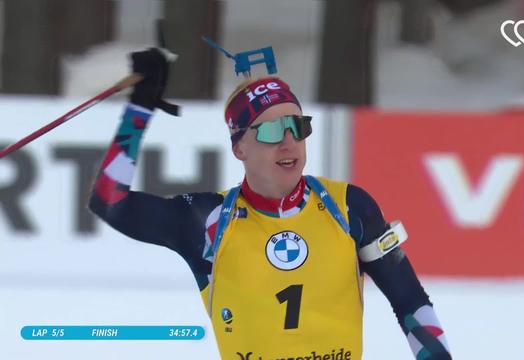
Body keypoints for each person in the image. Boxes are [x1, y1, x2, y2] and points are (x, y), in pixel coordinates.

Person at [89, 48, 452, 360]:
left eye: (297, 126)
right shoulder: (208, 221)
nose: (288, 142)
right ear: (239, 148)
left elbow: (410, 302)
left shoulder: (349, 207)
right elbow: (110, 201)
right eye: (270, 131)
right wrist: (140, 109)